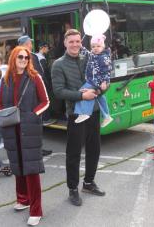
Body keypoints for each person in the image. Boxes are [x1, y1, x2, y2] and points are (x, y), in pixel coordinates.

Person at [51, 29, 105, 207]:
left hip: (94, 111)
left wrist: (100, 89)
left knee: (94, 149)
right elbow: (58, 92)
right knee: (73, 153)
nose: (75, 44)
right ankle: (73, 188)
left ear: (81, 42)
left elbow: (104, 79)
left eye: (77, 41)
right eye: (71, 41)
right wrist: (82, 96)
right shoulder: (58, 64)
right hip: (76, 113)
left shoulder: (90, 57)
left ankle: (89, 183)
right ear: (65, 43)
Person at [0, 46, 49, 226]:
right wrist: (2, 117)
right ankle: (23, 199)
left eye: (26, 58)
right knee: (18, 166)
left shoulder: (35, 78)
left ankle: (36, 210)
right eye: (20, 57)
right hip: (12, 130)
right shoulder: (6, 80)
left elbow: (45, 101)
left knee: (31, 170)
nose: (23, 60)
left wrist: (33, 115)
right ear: (13, 58)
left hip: (30, 129)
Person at [18, 35, 53, 156]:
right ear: (27, 44)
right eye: (30, 43)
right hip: (34, 95)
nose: (31, 45)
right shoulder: (30, 56)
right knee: (36, 123)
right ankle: (36, 149)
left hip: (23, 95)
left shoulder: (15, 56)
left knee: (27, 124)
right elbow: (39, 75)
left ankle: (29, 148)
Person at [74, 34, 113, 127]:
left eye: (98, 46)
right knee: (100, 98)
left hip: (95, 81)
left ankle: (84, 113)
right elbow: (87, 53)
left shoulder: (103, 57)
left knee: (82, 93)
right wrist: (81, 47)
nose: (95, 48)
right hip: (94, 80)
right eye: (93, 46)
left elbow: (107, 70)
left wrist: (105, 82)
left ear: (103, 47)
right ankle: (106, 116)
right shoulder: (93, 54)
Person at [35, 41, 56, 125]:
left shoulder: (36, 56)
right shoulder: (42, 59)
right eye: (47, 47)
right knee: (46, 100)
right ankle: (46, 119)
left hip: (40, 82)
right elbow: (45, 73)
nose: (48, 49)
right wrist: (49, 85)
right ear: (42, 48)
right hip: (44, 83)